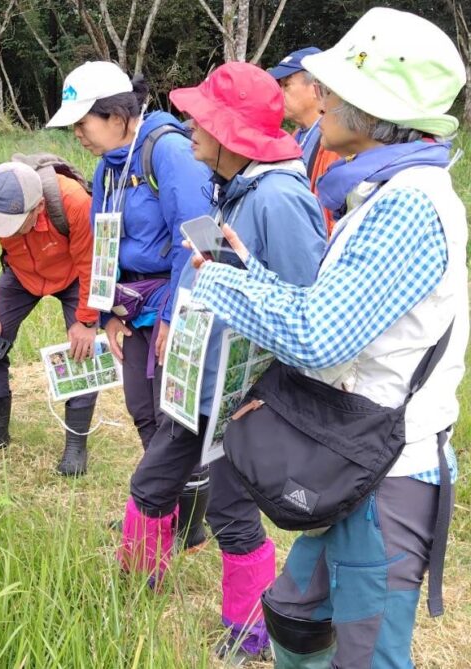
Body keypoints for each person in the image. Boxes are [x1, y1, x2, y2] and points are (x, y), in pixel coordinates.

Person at [190, 8, 467, 667]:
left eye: (341, 91)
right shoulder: (377, 193)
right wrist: (250, 274)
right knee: (294, 614)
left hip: (387, 469)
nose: (322, 101)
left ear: (379, 111)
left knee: (368, 652)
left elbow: (319, 336)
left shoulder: (409, 204)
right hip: (352, 453)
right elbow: (333, 310)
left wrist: (223, 287)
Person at [116, 62, 327, 662]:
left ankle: (249, 632)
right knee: (151, 481)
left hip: (240, 394)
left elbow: (301, 308)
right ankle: (134, 585)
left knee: (233, 512)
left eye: (200, 118)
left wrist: (279, 395)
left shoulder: (279, 201)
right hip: (199, 382)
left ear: (231, 133)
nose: (189, 128)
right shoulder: (231, 190)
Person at [45, 61, 214, 547]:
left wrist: (173, 318)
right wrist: (105, 314)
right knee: (143, 410)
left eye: (83, 122)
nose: (78, 134)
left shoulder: (170, 153)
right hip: (131, 306)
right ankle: (158, 509)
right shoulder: (107, 166)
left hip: (173, 300)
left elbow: (198, 238)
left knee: (175, 415)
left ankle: (189, 525)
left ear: (118, 115)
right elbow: (104, 243)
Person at [0, 161, 99, 476]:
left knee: (83, 353)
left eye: (12, 223)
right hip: (20, 274)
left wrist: (86, 321)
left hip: (74, 273)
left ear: (39, 208)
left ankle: (76, 445)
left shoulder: (74, 201)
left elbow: (92, 261)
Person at [268, 46, 341, 233]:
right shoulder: (295, 137)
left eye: (286, 85)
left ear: (316, 87)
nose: (279, 92)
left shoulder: (335, 142)